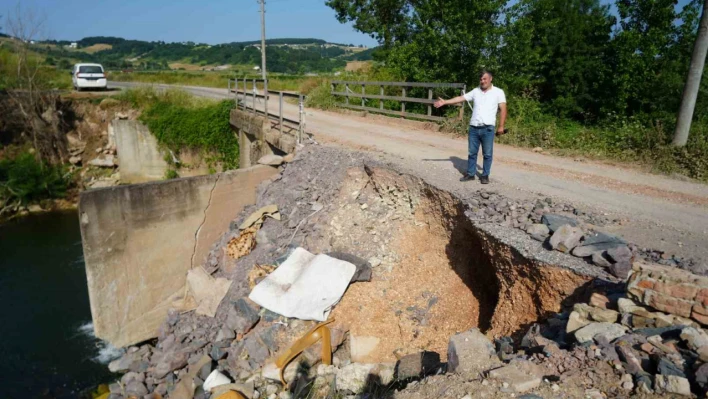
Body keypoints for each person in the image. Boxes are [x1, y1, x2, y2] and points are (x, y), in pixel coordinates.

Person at [434, 70, 507, 184]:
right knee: (472, 152)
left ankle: (485, 175)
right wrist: (445, 102)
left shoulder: (498, 92)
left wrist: (501, 126)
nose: (482, 81)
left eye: (485, 79)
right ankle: (471, 174)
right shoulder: (475, 91)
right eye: (481, 79)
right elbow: (461, 98)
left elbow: (503, 109)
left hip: (488, 128)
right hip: (474, 128)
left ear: (490, 79)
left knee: (487, 153)